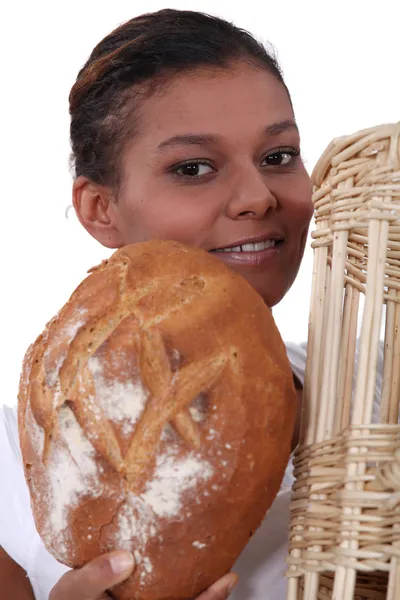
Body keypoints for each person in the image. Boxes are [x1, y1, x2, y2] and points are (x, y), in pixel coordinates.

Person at [0, 8, 314, 600]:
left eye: (278, 156)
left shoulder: (378, 386)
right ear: (101, 209)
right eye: (193, 168)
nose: (257, 197)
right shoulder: (13, 475)